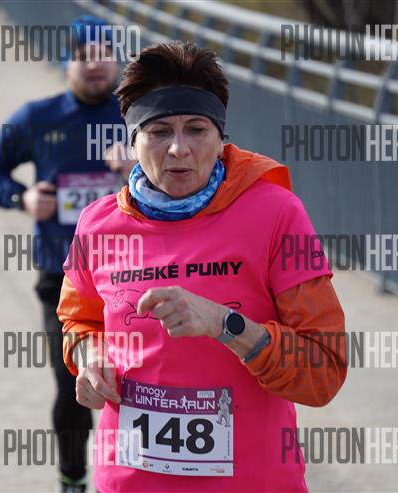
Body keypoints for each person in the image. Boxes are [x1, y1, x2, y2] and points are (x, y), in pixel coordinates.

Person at [58, 41, 347, 493]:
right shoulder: (97, 224)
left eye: (196, 129)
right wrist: (89, 357)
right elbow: (79, 321)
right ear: (132, 141)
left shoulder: (276, 214)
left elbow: (322, 371)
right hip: (130, 482)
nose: (179, 149)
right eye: (158, 131)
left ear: (220, 137)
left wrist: (225, 325)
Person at [0, 15, 135, 493]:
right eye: (83, 56)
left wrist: (137, 168)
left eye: (103, 55)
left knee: (142, 384)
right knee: (74, 383)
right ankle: (72, 478)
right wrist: (20, 197)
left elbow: (193, 171)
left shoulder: (140, 119)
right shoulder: (37, 117)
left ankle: (134, 477)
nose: (94, 65)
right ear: (67, 62)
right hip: (62, 279)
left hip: (135, 276)